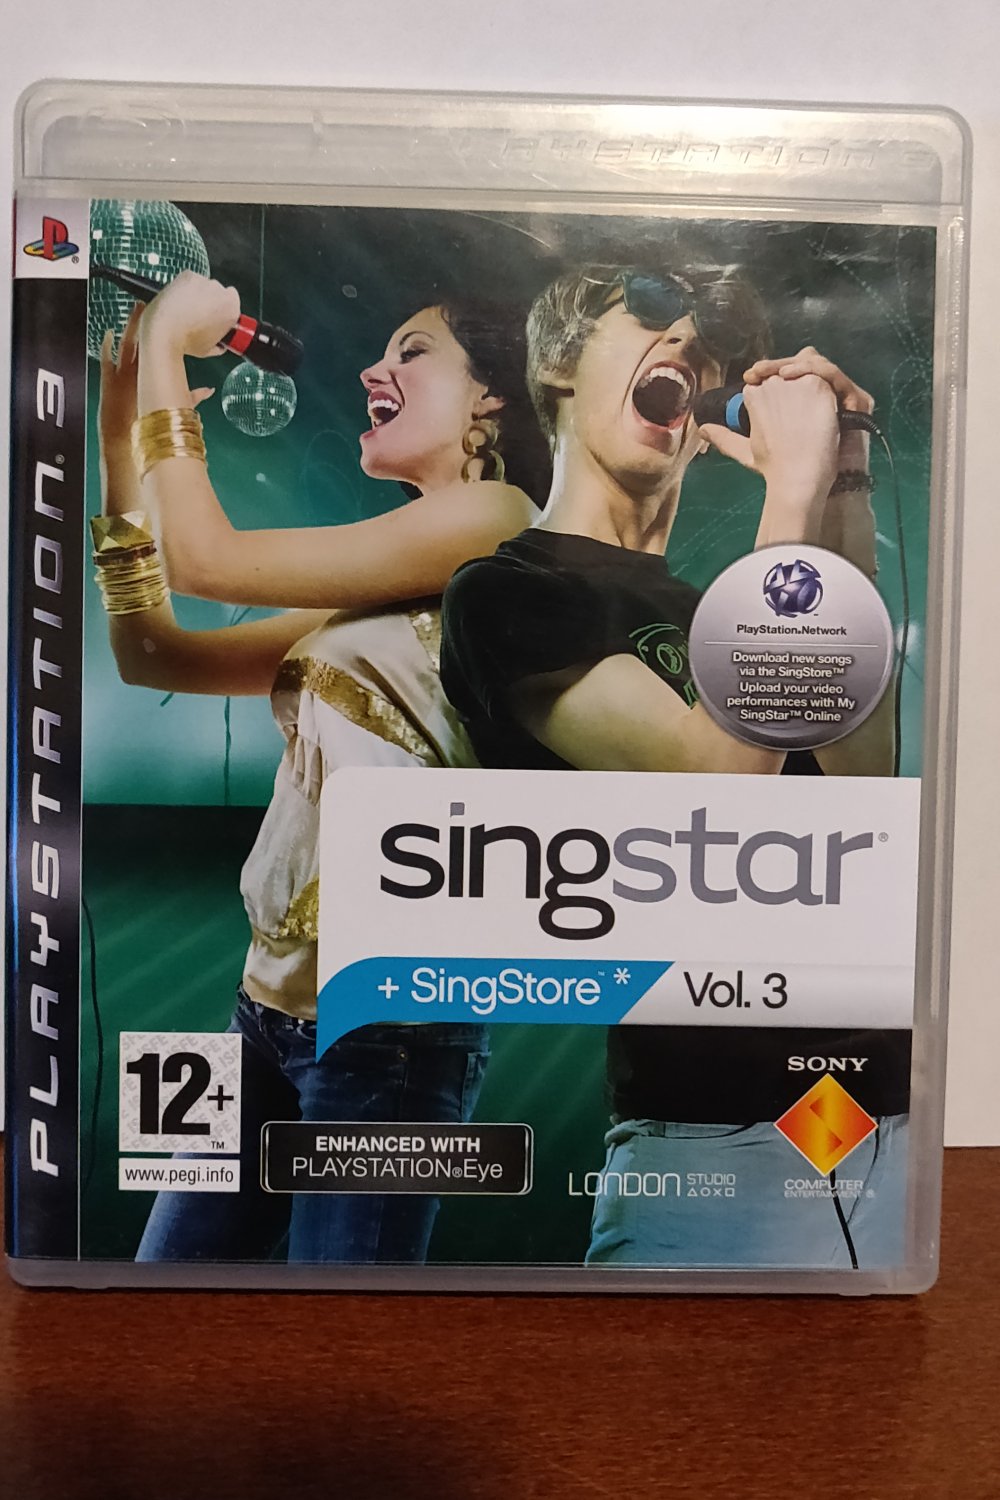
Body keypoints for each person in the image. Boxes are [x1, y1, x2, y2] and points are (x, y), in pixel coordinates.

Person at [440, 261, 907, 1270]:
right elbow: (718, 795)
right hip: (710, 1142)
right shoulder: (507, 591)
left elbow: (860, 782)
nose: (692, 342)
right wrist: (789, 493)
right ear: (560, 364)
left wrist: (843, 481)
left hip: (871, 1115)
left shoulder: (717, 612)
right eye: (653, 314)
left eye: (713, 342)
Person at [94, 269, 549, 1264]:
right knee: (165, 1305)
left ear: (492, 395)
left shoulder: (498, 520)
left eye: (412, 352)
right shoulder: (392, 579)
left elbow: (207, 560)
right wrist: (121, 445)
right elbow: (158, 654)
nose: (372, 371)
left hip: (388, 1034)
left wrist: (168, 342)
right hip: (264, 1011)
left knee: (345, 1333)